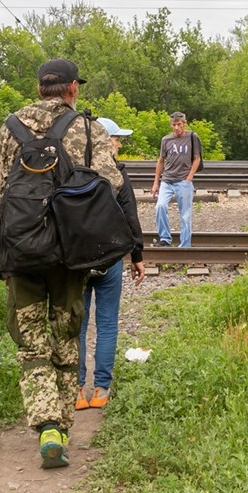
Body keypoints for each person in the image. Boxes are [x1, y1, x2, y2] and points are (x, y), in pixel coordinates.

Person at [0, 58, 123, 470]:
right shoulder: (86, 128)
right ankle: (61, 429)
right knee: (66, 336)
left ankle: (45, 424)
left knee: (31, 344)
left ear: (40, 87)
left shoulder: (11, 126)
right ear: (71, 89)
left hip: (21, 252)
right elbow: (111, 183)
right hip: (69, 254)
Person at [76, 117, 146, 411]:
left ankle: (77, 390)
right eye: (117, 139)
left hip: (76, 260)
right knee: (106, 324)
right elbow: (130, 215)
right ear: (106, 140)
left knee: (76, 325)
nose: (119, 144)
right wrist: (137, 255)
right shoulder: (116, 173)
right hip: (110, 258)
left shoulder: (74, 171)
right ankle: (101, 388)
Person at [151, 111, 202, 248]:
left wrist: (189, 178)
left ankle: (185, 245)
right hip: (167, 180)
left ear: (184, 123)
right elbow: (160, 161)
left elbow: (197, 158)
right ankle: (165, 239)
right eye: (174, 125)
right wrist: (156, 182)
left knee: (185, 214)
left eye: (179, 124)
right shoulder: (166, 140)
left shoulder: (192, 137)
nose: (176, 128)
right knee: (160, 206)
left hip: (183, 181)